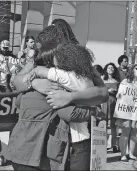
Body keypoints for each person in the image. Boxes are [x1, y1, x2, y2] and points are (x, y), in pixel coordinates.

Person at [9, 21, 109, 171]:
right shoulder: (41, 64)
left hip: (69, 141)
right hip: (50, 144)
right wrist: (35, 82)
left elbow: (101, 93)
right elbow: (17, 81)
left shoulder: (73, 69)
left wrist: (70, 97)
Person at [23, 43, 95, 151]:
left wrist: (31, 77)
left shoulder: (69, 77)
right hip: (81, 137)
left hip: (75, 140)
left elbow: (39, 70)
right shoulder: (84, 79)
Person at [115, 64, 137, 162]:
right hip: (126, 111)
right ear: (132, 71)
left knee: (134, 133)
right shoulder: (125, 82)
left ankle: (131, 154)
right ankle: (123, 154)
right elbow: (120, 93)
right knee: (125, 132)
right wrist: (119, 94)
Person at [102, 62, 120, 153]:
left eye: (112, 67)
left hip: (114, 102)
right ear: (106, 69)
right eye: (109, 67)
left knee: (114, 124)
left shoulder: (117, 81)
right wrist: (107, 90)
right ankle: (103, 145)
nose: (111, 69)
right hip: (104, 102)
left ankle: (114, 145)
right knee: (104, 123)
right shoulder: (102, 80)